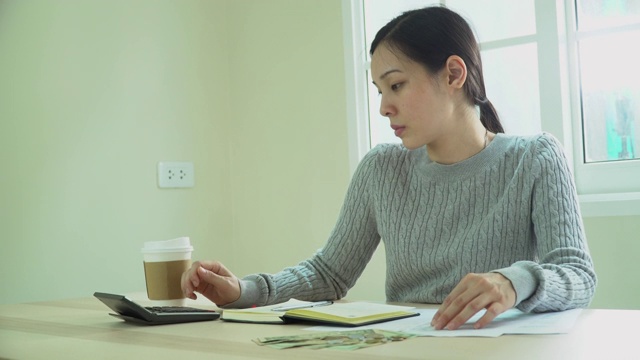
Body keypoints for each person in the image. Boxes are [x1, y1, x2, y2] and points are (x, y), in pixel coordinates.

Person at [181, 5, 597, 330]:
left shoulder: (535, 158)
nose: (383, 107)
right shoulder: (382, 168)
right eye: (379, 90)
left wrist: (513, 281)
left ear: (453, 74)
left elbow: (577, 275)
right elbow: (328, 274)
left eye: (396, 85)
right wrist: (244, 290)